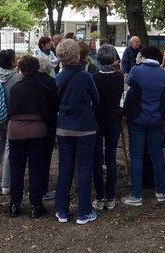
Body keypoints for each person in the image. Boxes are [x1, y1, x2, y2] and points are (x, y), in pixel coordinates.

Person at [54, 39, 100, 225]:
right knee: (84, 168)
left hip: (64, 127)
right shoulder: (86, 77)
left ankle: (62, 210)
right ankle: (83, 212)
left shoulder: (56, 79)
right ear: (77, 56)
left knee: (64, 168)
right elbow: (96, 100)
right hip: (85, 128)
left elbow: (54, 103)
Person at [7, 56, 55, 219]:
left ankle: (14, 204)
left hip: (15, 130)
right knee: (36, 168)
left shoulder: (14, 88)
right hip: (37, 131)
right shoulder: (43, 89)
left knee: (16, 169)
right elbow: (49, 112)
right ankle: (35, 205)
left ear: (21, 69)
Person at [121, 45, 165, 207]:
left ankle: (136, 194)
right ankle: (161, 191)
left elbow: (128, 82)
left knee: (137, 156)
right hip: (157, 119)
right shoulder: (164, 75)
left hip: (138, 119)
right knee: (157, 155)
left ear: (143, 56)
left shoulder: (136, 70)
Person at [91, 44, 123, 211]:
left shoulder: (94, 78)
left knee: (97, 160)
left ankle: (100, 196)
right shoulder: (119, 77)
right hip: (113, 121)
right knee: (111, 159)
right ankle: (110, 197)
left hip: (97, 122)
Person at [0, 49, 21, 195]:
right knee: (8, 149)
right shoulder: (17, 78)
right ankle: (6, 184)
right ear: (13, 61)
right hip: (10, 117)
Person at [34, 55, 60, 202]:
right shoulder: (51, 82)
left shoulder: (28, 80)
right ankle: (42, 189)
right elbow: (56, 104)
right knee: (45, 158)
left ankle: (34, 186)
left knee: (34, 158)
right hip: (48, 123)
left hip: (31, 123)